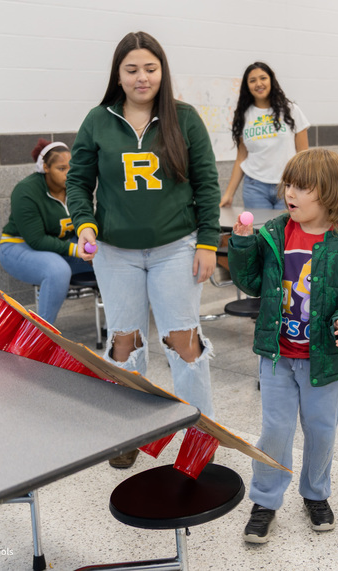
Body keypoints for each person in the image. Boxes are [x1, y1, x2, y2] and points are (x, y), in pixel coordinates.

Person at [65, 31, 221, 469]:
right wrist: (85, 224)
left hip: (177, 248)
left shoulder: (184, 119)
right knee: (124, 344)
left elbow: (207, 184)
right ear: (118, 73)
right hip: (116, 253)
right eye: (131, 69)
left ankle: (199, 435)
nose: (141, 77)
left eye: (150, 68)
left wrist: (208, 241)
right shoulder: (98, 120)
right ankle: (127, 432)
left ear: (162, 71)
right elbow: (78, 182)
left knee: (184, 344)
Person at [228, 148, 338, 543]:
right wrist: (242, 247)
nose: (289, 193)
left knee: (321, 431)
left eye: (301, 187)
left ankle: (315, 494)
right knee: (275, 431)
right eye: (288, 184)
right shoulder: (273, 233)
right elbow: (253, 283)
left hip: (323, 360)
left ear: (328, 194)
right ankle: (265, 500)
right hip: (278, 357)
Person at [0, 139, 94, 324]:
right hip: (18, 247)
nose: (69, 174)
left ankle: (117, 330)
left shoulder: (74, 188)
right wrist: (77, 250)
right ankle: (42, 333)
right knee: (57, 271)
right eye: (61, 168)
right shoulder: (26, 190)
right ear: (45, 167)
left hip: (59, 247)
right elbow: (36, 240)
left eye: (71, 167)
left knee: (109, 261)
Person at [219, 62, 310, 209]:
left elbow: (304, 154)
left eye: (263, 78)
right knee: (260, 231)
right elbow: (241, 157)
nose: (259, 84)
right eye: (252, 80)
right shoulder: (243, 116)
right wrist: (229, 194)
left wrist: (305, 187)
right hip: (255, 187)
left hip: (288, 185)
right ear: (247, 86)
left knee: (284, 231)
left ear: (271, 80)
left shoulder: (291, 110)